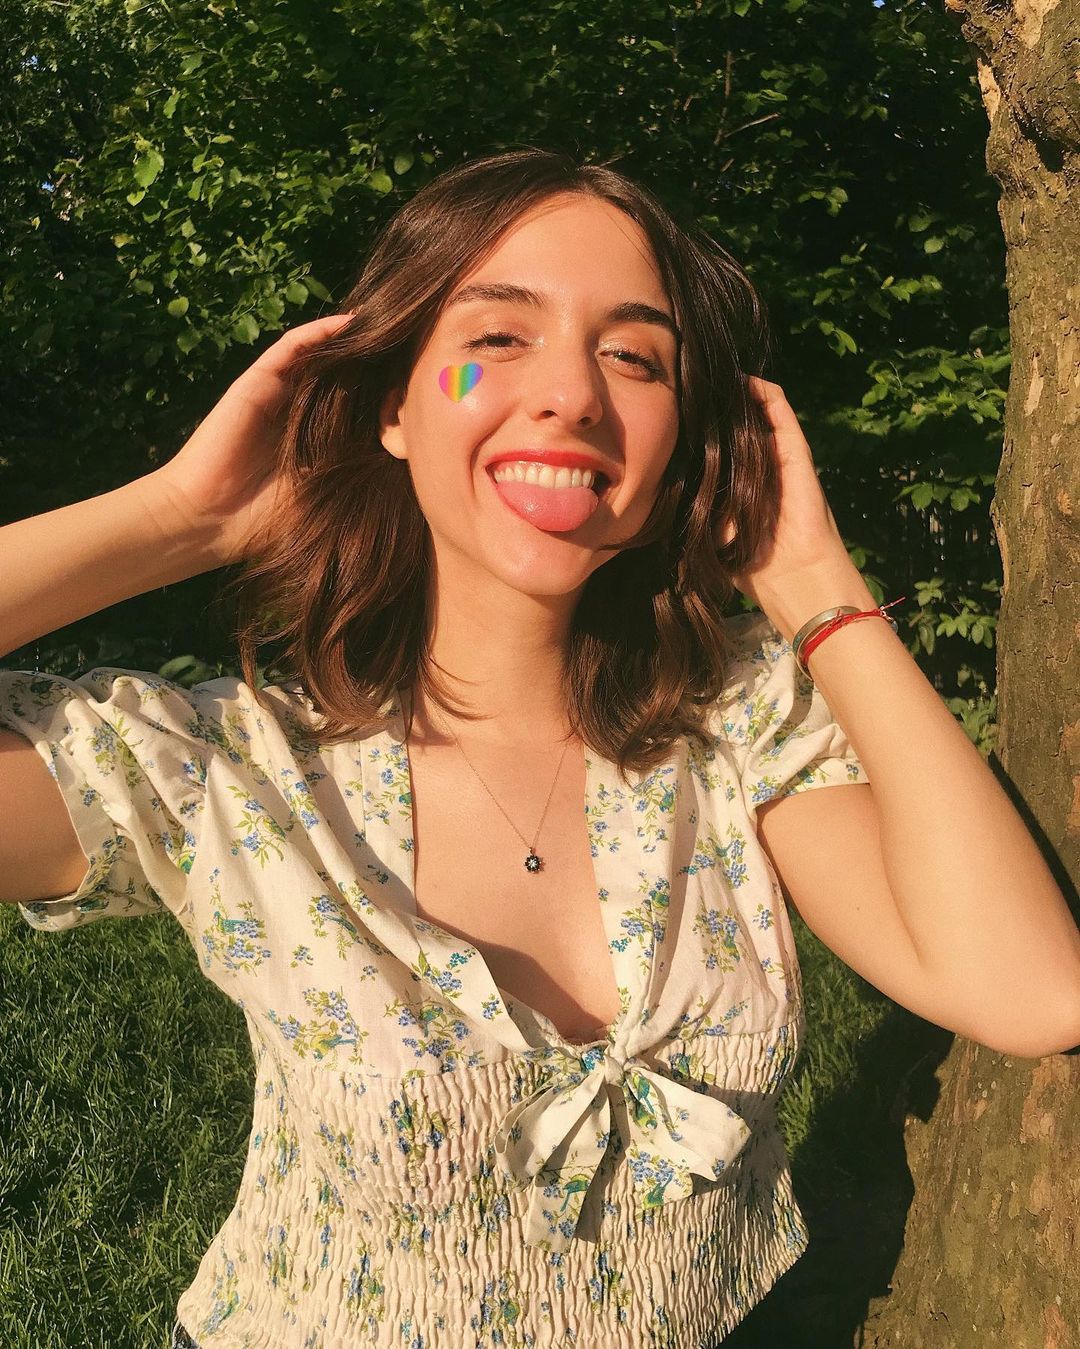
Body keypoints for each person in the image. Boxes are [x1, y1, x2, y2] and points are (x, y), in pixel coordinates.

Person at [2, 147, 1077, 1349]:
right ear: (396, 407)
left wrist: (812, 581)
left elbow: (1030, 989)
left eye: (635, 357)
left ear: (686, 442)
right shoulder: (223, 771)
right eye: (499, 337)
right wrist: (174, 517)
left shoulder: (738, 727)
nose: (571, 392)